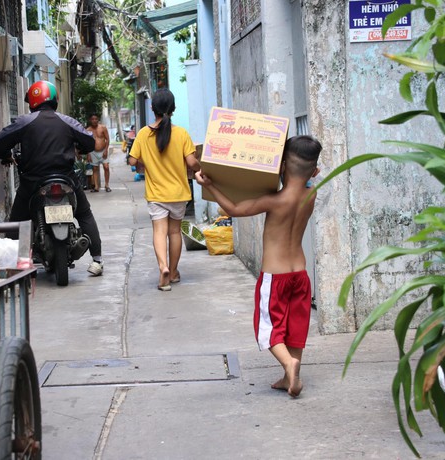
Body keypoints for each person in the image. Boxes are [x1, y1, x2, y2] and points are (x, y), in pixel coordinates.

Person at [195, 135, 322, 397]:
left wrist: (209, 185)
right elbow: (305, 179)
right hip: (300, 273)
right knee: (295, 326)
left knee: (268, 328)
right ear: (315, 170)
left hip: (275, 276)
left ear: (282, 165)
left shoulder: (273, 200)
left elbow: (234, 208)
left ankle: (289, 364)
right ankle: (290, 377)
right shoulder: (312, 194)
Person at [0, 81, 104, 276]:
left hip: (33, 183)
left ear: (32, 102)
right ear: (54, 99)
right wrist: (80, 148)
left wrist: (5, 156)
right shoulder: (67, 121)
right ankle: (97, 260)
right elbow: (89, 141)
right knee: (84, 214)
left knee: (17, 221)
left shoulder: (24, 121)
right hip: (66, 180)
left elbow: (2, 140)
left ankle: (13, 265)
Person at [127, 88, 201, 291]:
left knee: (159, 231)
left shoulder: (143, 134)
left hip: (157, 194)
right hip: (178, 193)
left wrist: (145, 161)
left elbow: (132, 160)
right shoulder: (182, 134)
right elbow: (192, 161)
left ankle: (163, 267)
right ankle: (174, 271)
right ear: (173, 109)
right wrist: (199, 168)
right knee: (175, 232)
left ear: (152, 109)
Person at [86, 114, 111, 192]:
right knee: (95, 168)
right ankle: (96, 186)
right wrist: (88, 154)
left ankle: (107, 185)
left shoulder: (103, 128)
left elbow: (107, 139)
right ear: (90, 120)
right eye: (92, 119)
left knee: (106, 167)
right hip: (93, 151)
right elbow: (86, 143)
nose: (94, 121)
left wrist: (106, 150)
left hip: (103, 150)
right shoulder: (88, 130)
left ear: (98, 120)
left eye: (96, 119)